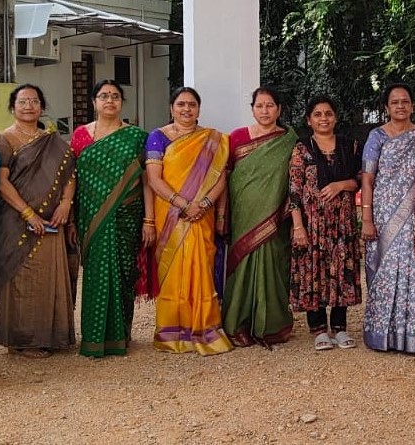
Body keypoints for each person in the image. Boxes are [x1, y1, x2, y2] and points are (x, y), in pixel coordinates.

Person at [0, 84, 77, 358]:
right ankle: (21, 338)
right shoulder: (3, 139)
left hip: (52, 219)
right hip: (13, 220)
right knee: (19, 276)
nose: (29, 106)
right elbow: (1, 182)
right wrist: (28, 214)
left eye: (34, 101)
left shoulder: (53, 141)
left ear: (42, 107)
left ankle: (49, 335)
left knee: (47, 275)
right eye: (23, 101)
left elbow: (69, 175)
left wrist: (64, 204)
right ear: (13, 107)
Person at [145, 87, 234, 355]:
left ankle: (205, 328)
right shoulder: (157, 137)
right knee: (172, 273)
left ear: (199, 109)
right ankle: (173, 331)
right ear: (171, 108)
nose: (186, 109)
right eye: (181, 104)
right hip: (170, 215)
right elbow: (153, 179)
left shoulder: (213, 140)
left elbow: (220, 178)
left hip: (201, 216)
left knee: (202, 268)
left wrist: (205, 206)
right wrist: (183, 204)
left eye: (192, 105)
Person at [71, 80, 155, 357]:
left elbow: (146, 182)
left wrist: (149, 220)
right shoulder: (81, 136)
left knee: (123, 273)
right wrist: (71, 219)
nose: (110, 100)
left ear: (122, 102)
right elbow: (73, 180)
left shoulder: (136, 137)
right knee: (95, 273)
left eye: (115, 96)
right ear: (94, 102)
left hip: (127, 216)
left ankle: (121, 335)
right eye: (104, 96)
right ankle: (94, 338)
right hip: (90, 216)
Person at [362, 83, 415, 353]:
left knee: (410, 270)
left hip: (412, 216)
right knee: (383, 270)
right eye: (394, 102)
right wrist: (366, 217)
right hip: (381, 213)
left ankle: (408, 335)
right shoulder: (377, 137)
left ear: (412, 106)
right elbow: (368, 178)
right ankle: (380, 334)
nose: (400, 106)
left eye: (405, 101)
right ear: (386, 107)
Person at [223, 87, 297, 347]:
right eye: (259, 106)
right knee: (240, 265)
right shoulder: (236, 137)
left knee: (274, 265)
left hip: (275, 216)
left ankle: (271, 326)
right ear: (252, 108)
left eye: (270, 106)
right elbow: (225, 176)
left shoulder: (289, 140)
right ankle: (237, 323)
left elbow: (295, 179)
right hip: (243, 213)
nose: (265, 111)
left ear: (279, 109)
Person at [288, 96, 363, 351]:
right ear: (309, 120)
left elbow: (359, 181)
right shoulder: (302, 149)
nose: (323, 118)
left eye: (328, 113)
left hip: (342, 223)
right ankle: (318, 328)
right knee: (315, 272)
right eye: (317, 114)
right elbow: (294, 190)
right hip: (312, 224)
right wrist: (298, 227)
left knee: (341, 269)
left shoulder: (349, 146)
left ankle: (340, 328)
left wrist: (339, 185)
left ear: (335, 117)